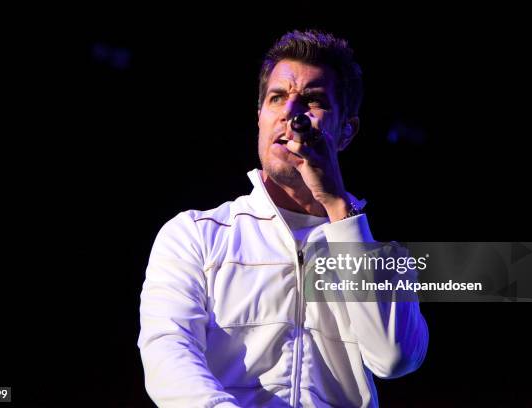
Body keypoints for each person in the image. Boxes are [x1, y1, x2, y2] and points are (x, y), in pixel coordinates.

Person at [138, 29, 428, 407]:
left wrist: (340, 209)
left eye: (312, 101)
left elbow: (395, 359)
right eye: (277, 98)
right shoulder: (195, 235)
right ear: (260, 116)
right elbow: (167, 354)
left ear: (346, 131)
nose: (291, 114)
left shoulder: (385, 258)